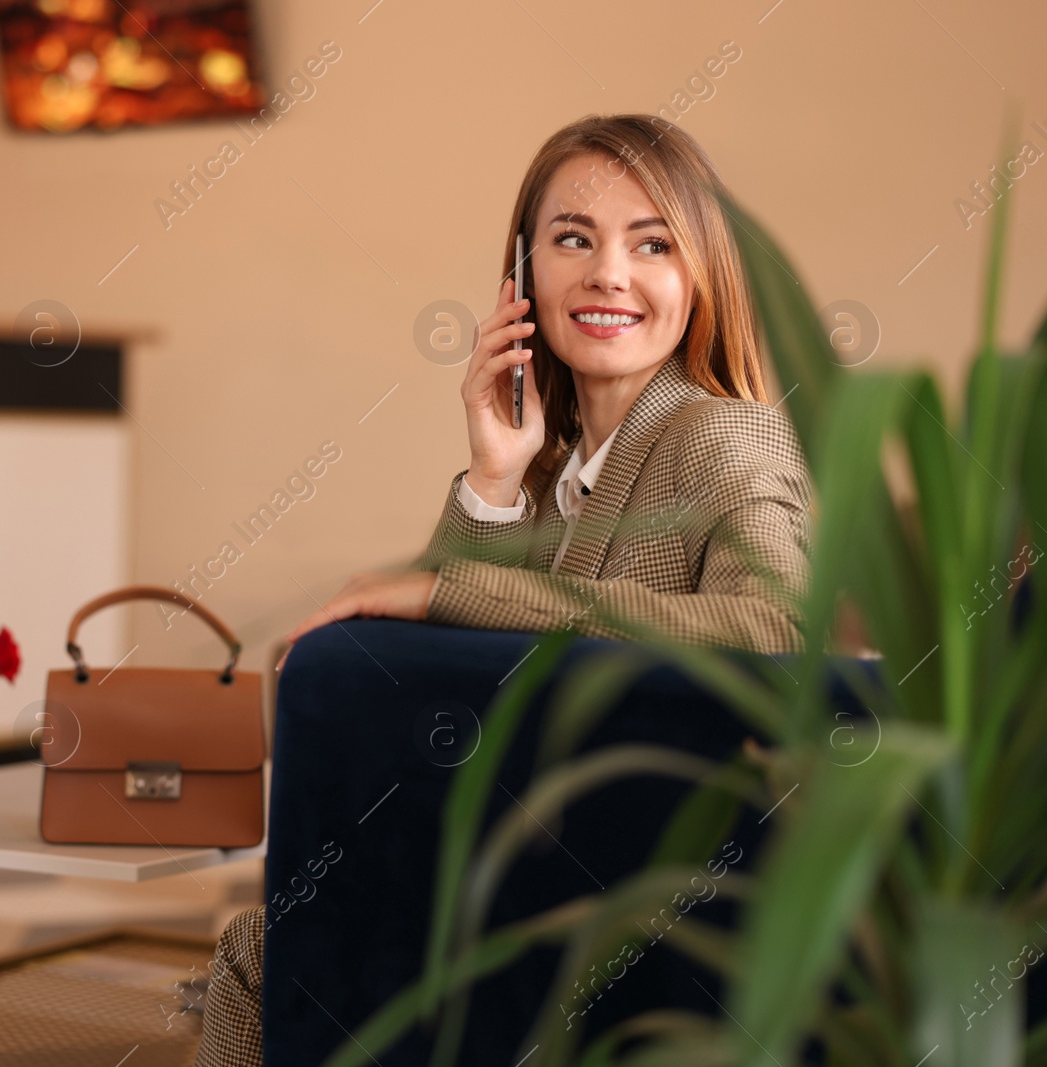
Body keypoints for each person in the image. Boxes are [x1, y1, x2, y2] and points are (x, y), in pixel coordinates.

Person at [193, 112, 813, 1066]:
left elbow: (772, 625)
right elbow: (428, 691)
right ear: (523, 279)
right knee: (262, 942)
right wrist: (490, 478)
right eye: (574, 239)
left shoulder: (724, 435)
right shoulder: (560, 468)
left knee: (272, 952)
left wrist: (457, 596)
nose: (608, 272)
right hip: (535, 866)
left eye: (652, 244)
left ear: (701, 276)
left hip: (645, 908)